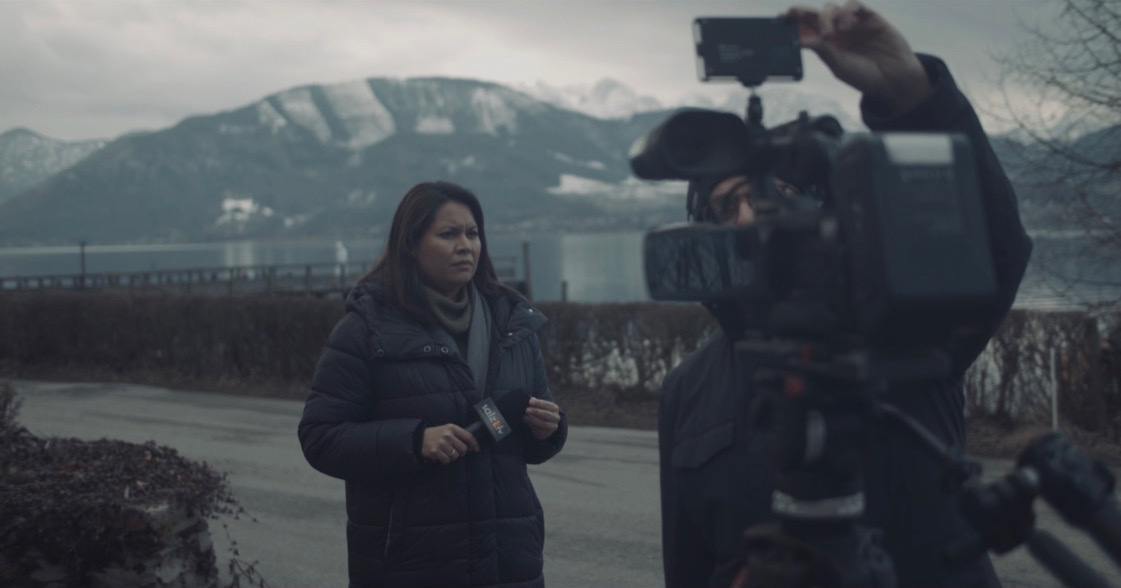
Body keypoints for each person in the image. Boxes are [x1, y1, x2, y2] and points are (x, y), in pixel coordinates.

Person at [658, 2, 1033, 587]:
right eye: (726, 204)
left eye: (775, 192)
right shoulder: (687, 390)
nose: (751, 213)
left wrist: (911, 96)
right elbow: (687, 564)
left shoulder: (901, 326)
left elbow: (992, 248)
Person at [299, 181, 567, 588]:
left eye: (473, 233)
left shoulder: (514, 325)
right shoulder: (365, 330)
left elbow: (529, 444)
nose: (466, 246)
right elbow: (320, 437)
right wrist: (413, 441)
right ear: (410, 244)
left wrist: (549, 431)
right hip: (410, 566)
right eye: (449, 234)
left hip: (509, 562)